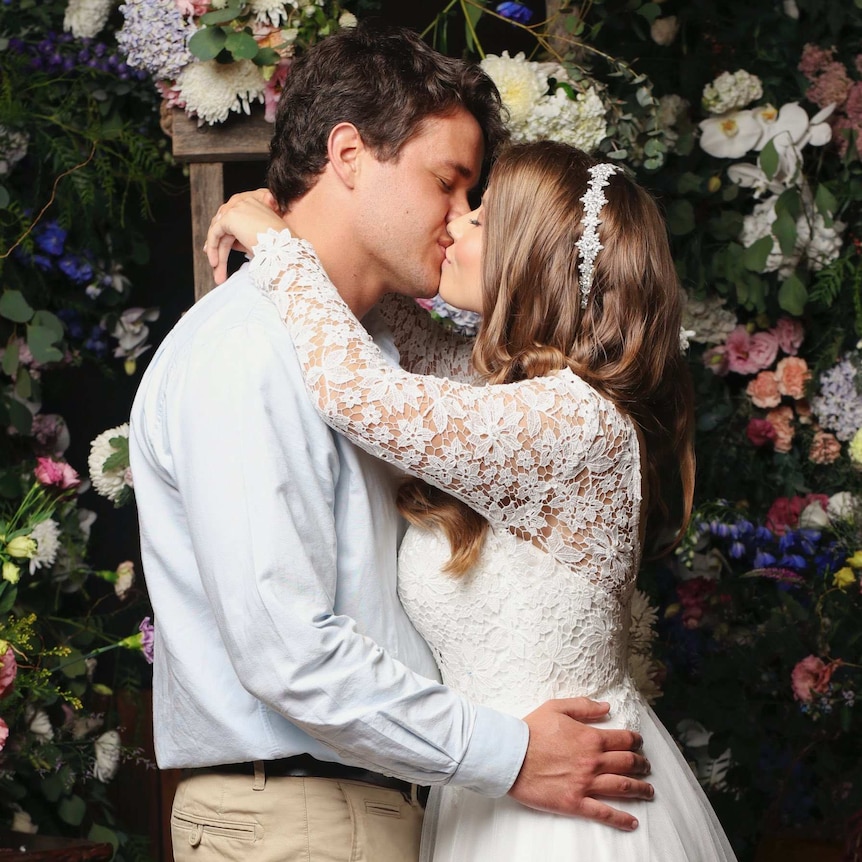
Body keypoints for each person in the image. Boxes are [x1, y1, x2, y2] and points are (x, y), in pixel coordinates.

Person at [130, 21, 653, 862]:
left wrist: (274, 234)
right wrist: (509, 754)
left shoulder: (378, 349)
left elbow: (377, 391)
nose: (459, 220)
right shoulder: (251, 347)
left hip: (405, 805)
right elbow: (290, 653)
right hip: (297, 819)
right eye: (448, 183)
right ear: (348, 153)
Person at [204, 140, 739, 860]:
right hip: (497, 782)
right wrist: (310, 222)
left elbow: (360, 393)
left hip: (566, 809)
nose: (455, 226)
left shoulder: (573, 420)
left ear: (532, 260)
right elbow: (387, 318)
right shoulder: (505, 388)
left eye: (481, 219)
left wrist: (273, 240)